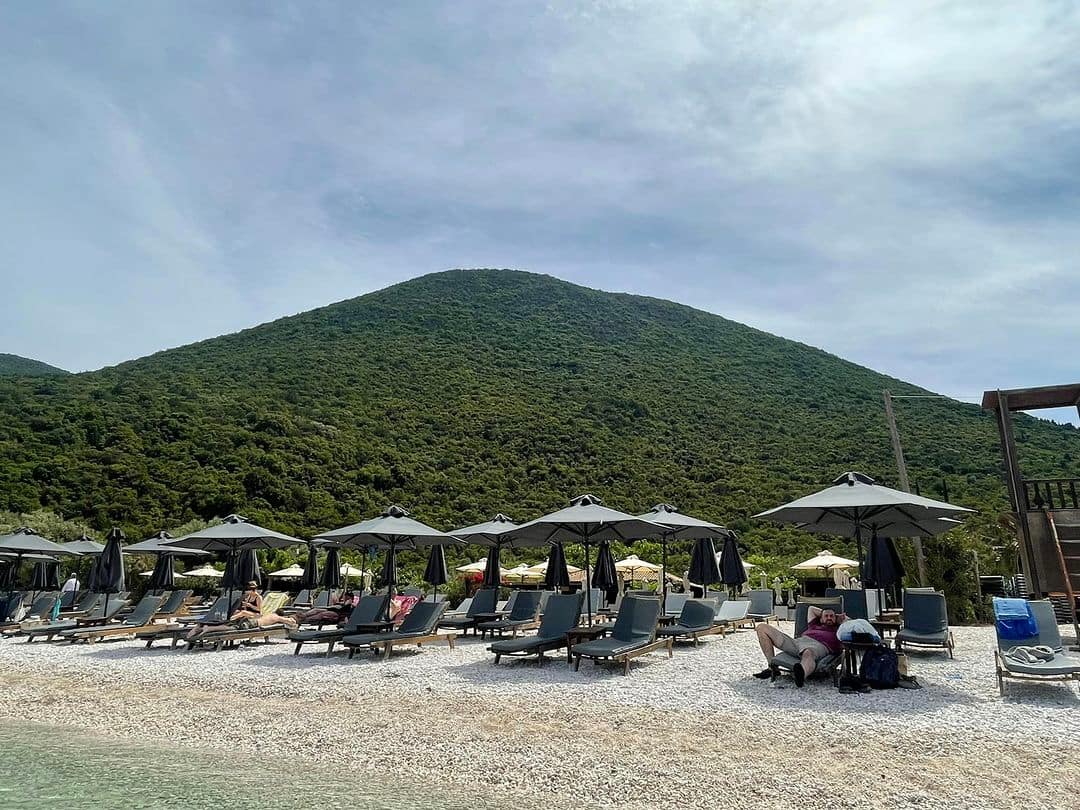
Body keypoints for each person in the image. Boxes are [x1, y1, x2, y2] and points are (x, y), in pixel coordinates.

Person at [753, 605, 847, 687]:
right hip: (797, 642)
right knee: (762, 627)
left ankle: (801, 675)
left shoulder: (840, 629)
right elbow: (811, 609)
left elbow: (850, 622)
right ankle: (771, 668)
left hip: (819, 645)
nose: (829, 618)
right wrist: (834, 615)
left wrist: (840, 619)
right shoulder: (814, 624)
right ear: (820, 619)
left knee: (808, 652)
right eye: (826, 616)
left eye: (831, 616)